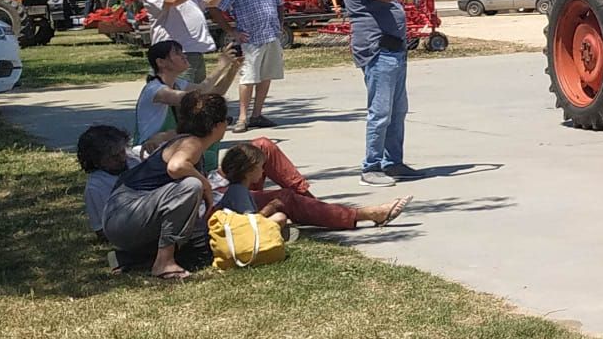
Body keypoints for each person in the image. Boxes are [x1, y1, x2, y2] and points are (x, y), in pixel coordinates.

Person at [101, 90, 232, 278]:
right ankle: (164, 262)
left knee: (201, 243)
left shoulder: (181, 138)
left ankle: (129, 258)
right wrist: (205, 184)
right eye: (228, 119)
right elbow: (176, 167)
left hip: (122, 217)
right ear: (217, 125)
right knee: (191, 186)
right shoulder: (192, 143)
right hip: (125, 215)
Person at [341, 0, 431, 185]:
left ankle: (393, 162)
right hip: (377, 49)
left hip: (393, 49)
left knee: (397, 110)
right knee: (380, 112)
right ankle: (371, 167)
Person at [217, 141, 409, 230]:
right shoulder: (191, 141)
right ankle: (368, 214)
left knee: (263, 145)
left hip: (220, 179)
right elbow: (250, 225)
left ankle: (311, 204)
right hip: (216, 190)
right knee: (283, 200)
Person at [136, 39, 242, 167]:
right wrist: (221, 66)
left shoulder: (178, 83)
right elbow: (195, 97)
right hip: (150, 149)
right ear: (161, 62)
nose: (184, 56)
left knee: (210, 137)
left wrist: (233, 69)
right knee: (204, 144)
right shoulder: (155, 90)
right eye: (177, 53)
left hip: (168, 142)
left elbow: (214, 93)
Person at [221, 0, 287, 131]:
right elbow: (217, 8)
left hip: (271, 35)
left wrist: (279, 25)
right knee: (248, 78)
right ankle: (242, 117)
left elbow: (279, 3)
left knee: (266, 76)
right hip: (250, 39)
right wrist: (231, 31)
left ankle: (257, 114)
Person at [138, 0, 225, 81]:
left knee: (196, 94)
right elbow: (173, 0)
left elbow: (212, 1)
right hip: (173, 53)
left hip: (192, 50)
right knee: (179, 95)